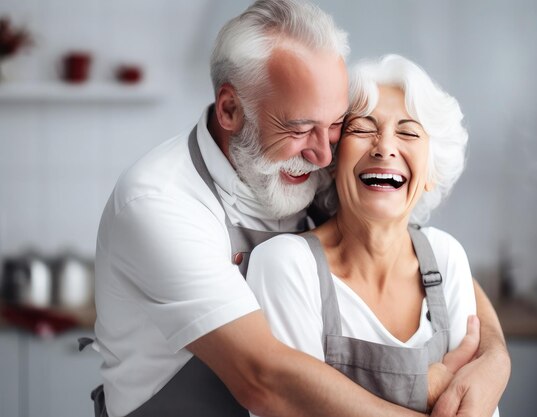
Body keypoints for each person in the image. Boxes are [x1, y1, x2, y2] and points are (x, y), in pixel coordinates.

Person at [92, 1, 510, 416]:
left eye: (334, 127)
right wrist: (428, 387)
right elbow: (264, 381)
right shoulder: (160, 204)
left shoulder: (299, 168)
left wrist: (494, 358)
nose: (323, 154)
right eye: (299, 128)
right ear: (230, 109)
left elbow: (424, 261)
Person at [247, 54, 504, 416]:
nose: (384, 147)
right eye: (363, 129)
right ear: (333, 160)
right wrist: (428, 388)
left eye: (408, 132)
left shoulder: (445, 257)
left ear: (431, 170)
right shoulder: (287, 266)